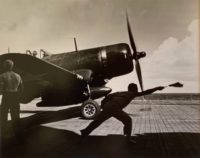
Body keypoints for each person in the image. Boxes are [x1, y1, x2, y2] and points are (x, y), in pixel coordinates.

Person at [80, 83, 165, 143]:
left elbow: (109, 96)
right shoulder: (133, 93)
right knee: (128, 120)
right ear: (135, 89)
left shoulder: (121, 92)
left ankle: (84, 132)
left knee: (97, 122)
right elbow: (146, 92)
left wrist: (103, 105)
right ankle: (128, 139)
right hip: (115, 107)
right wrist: (157, 88)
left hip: (108, 106)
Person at [0, 59, 23, 138]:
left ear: (4, 66)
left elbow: (1, 89)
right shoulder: (18, 76)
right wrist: (17, 96)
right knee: (16, 116)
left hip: (7, 96)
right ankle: (18, 133)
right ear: (12, 66)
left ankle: (3, 134)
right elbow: (21, 88)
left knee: (3, 115)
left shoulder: (2, 76)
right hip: (15, 96)